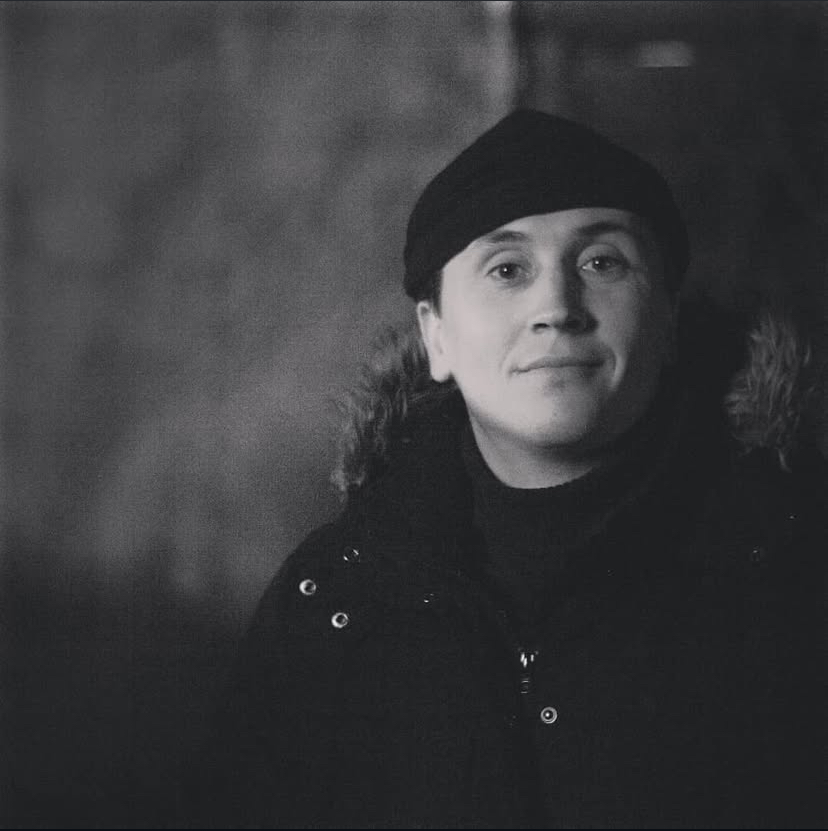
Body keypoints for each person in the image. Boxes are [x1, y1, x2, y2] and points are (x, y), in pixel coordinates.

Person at [189, 110, 826, 828]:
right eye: (507, 269)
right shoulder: (333, 600)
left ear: (669, 320)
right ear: (436, 338)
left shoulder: (797, 569)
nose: (556, 307)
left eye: (602, 262)